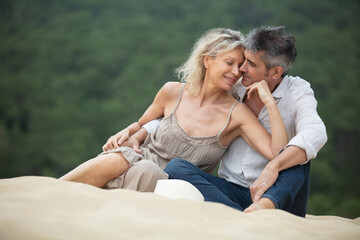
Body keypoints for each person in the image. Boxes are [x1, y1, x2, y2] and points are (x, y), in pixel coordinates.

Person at [59, 28, 289, 192]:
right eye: (229, 62)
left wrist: (270, 103)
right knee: (127, 159)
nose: (236, 72)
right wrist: (129, 134)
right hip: (138, 160)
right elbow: (142, 124)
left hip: (173, 186)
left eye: (240, 66)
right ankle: (51, 189)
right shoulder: (172, 92)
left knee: (148, 172)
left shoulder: (236, 113)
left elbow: (277, 152)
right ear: (207, 60)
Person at [145, 26, 327, 217]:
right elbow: (184, 110)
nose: (241, 69)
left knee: (299, 154)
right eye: (242, 61)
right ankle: (241, 216)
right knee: (176, 167)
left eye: (250, 64)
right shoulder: (234, 85)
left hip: (279, 195)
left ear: (275, 72)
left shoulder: (299, 93)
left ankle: (263, 207)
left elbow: (316, 133)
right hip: (230, 191)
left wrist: (275, 165)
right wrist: (142, 129)